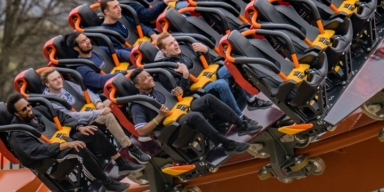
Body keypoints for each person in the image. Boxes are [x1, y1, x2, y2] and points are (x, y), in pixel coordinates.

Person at [4, 94, 130, 192]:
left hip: (63, 141)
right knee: (78, 148)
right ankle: (107, 182)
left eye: (28, 106)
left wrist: (79, 127)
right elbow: (38, 150)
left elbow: (62, 116)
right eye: (24, 110)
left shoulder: (39, 110)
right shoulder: (18, 134)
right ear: (16, 113)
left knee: (92, 131)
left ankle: (120, 162)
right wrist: (66, 145)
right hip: (50, 159)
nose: (29, 110)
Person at [127, 69, 260, 154]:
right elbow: (141, 131)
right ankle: (227, 144)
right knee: (194, 116)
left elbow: (173, 101)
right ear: (138, 86)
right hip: (171, 129)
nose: (149, 78)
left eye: (149, 75)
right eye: (144, 79)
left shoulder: (158, 86)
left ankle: (241, 124)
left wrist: (177, 93)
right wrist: (159, 117)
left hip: (180, 112)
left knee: (207, 98)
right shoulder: (138, 105)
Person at [40, 68, 149, 163]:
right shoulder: (51, 102)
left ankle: (140, 127)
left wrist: (98, 102)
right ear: (47, 84)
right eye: (54, 80)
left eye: (59, 77)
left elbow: (86, 92)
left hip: (91, 109)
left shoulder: (67, 84)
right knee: (107, 117)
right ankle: (131, 148)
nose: (59, 81)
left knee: (112, 101)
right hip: (80, 122)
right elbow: (72, 117)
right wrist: (98, 112)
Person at [153, 32, 271, 113]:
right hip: (196, 89)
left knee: (232, 66)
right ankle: (239, 118)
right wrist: (185, 75)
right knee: (221, 84)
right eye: (171, 44)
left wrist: (205, 51)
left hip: (206, 76)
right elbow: (182, 93)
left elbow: (206, 64)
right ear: (163, 50)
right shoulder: (165, 69)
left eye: (174, 41)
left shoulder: (183, 48)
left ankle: (252, 100)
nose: (175, 44)